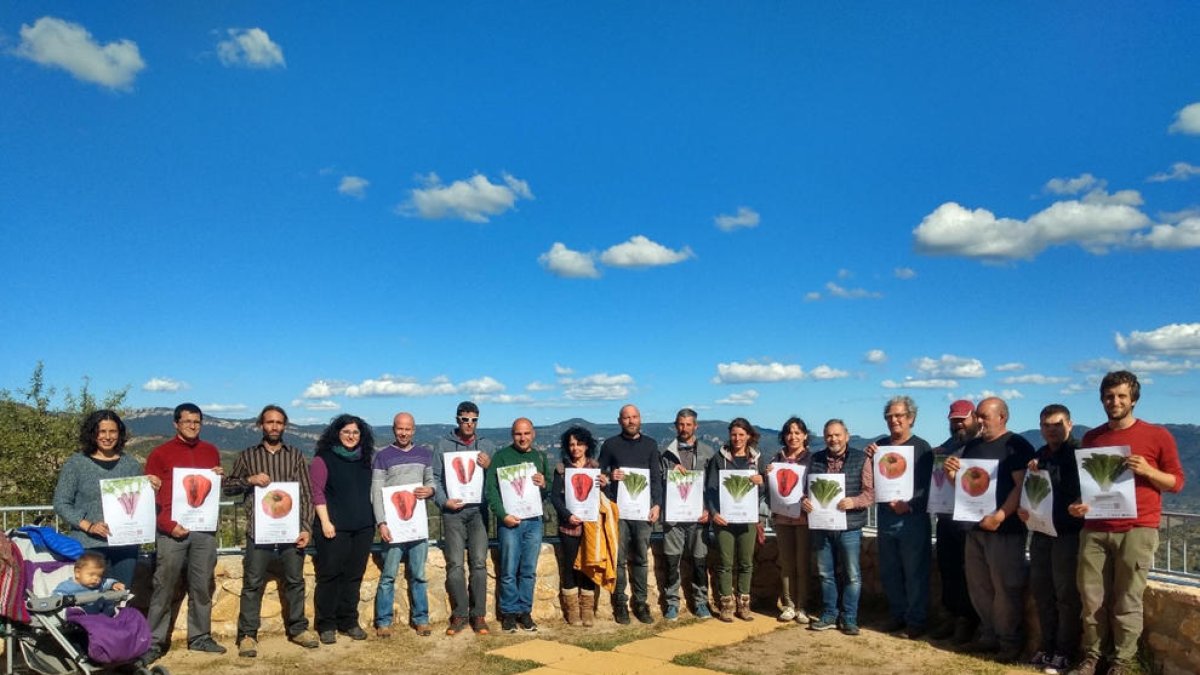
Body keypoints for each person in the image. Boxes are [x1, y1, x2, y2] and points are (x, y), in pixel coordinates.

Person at [1066, 371, 1185, 675]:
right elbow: (1093, 485)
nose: (1114, 401)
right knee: (1091, 599)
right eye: (1109, 396)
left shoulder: (1157, 435)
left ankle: (1122, 661)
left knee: (1127, 599)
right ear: (1101, 399)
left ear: (1134, 399)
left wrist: (1147, 470)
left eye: (1121, 396)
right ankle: (1091, 656)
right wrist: (1081, 507)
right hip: (1095, 528)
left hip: (1137, 529)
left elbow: (1176, 483)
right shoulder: (1092, 437)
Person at [943, 396, 1035, 663]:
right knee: (980, 586)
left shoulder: (1016, 445)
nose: (979, 421)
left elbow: (1022, 486)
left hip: (1004, 531)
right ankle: (988, 636)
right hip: (974, 528)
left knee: (1006, 588)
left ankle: (1009, 642)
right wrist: (952, 477)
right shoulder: (973, 446)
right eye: (978, 416)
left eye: (984, 416)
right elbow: (968, 487)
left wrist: (1000, 516)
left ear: (1002, 417)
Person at [223, 405, 319, 658]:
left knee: (295, 581)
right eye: (269, 422)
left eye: (278, 422)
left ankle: (298, 629)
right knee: (252, 583)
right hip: (259, 531)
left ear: (285, 426)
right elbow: (228, 487)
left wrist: (307, 527)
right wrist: (249, 480)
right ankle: (247, 636)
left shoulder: (296, 455)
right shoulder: (247, 456)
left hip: (291, 530)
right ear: (261, 425)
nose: (274, 426)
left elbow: (307, 494)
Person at [144, 403, 226, 660]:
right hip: (171, 532)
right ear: (176, 424)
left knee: (202, 587)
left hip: (203, 531)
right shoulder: (159, 454)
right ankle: (153, 643)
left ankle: (200, 637)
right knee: (163, 588)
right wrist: (168, 526)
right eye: (187, 421)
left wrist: (218, 477)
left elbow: (209, 493)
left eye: (197, 421)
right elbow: (149, 497)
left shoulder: (211, 452)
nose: (192, 425)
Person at [54, 409, 158, 589]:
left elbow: (137, 503)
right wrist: (89, 526)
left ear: (120, 434)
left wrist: (151, 489)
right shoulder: (76, 463)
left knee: (120, 595)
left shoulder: (130, 464)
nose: (108, 437)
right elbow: (61, 503)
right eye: (102, 431)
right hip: (89, 544)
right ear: (92, 433)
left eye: (113, 431)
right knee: (89, 597)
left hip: (125, 544)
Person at [1018, 404, 1083, 675]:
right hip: (1042, 533)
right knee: (1043, 593)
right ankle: (1046, 647)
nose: (1051, 430)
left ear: (1069, 424)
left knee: (1066, 596)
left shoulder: (1079, 453)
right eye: (1046, 425)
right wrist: (1025, 508)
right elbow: (1035, 490)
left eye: (1057, 424)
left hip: (1068, 534)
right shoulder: (1040, 455)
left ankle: (1065, 653)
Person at [867, 396, 934, 639]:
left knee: (915, 571)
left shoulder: (922, 447)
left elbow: (929, 487)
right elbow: (870, 480)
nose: (894, 420)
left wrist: (910, 506)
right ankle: (898, 615)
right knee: (890, 570)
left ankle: (916, 621)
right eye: (889, 416)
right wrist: (870, 457)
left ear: (911, 418)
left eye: (899, 416)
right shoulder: (880, 446)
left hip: (912, 519)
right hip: (885, 516)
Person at [310, 414, 375, 644]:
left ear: (361, 435)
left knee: (353, 576)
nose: (351, 436)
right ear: (337, 433)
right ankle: (326, 623)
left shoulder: (366, 459)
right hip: (334, 528)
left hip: (363, 527)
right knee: (330, 575)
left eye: (355, 432)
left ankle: (349, 621)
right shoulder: (323, 459)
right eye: (346, 432)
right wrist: (326, 522)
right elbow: (317, 493)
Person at [804, 419, 873, 636]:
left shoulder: (862, 459)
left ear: (847, 436)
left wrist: (854, 502)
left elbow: (871, 492)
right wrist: (804, 501)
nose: (833, 439)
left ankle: (849, 618)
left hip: (850, 527)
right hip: (822, 526)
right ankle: (829, 614)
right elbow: (804, 489)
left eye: (837, 435)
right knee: (826, 573)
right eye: (829, 436)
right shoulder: (814, 459)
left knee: (852, 575)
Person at [597, 404, 663, 624]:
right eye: (626, 418)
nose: (631, 421)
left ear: (640, 419)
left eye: (634, 417)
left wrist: (657, 505)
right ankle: (620, 604)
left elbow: (656, 478)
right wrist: (609, 475)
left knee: (642, 560)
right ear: (620, 421)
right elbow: (600, 475)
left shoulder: (651, 445)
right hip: (618, 513)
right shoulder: (610, 445)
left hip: (643, 513)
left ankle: (641, 604)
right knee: (618, 560)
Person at [433, 401, 494, 636]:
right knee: (455, 564)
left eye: (473, 420)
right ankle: (460, 614)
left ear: (478, 421)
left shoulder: (487, 445)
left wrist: (489, 466)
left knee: (479, 563)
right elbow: (435, 478)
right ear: (457, 419)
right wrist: (443, 501)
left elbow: (497, 479)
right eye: (464, 419)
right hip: (453, 512)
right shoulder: (443, 445)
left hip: (479, 511)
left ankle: (478, 615)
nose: (469, 424)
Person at [371, 412, 435, 638]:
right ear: (393, 429)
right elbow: (376, 493)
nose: (404, 433)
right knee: (388, 576)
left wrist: (430, 491)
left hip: (417, 527)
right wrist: (382, 523)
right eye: (400, 428)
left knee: (418, 574)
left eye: (408, 429)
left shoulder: (425, 454)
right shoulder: (382, 456)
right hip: (393, 527)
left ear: (414, 430)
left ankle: (422, 619)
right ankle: (383, 621)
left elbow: (431, 482)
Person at [485, 418, 549, 633]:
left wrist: (544, 484)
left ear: (533, 434)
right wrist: (503, 516)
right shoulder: (501, 457)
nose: (523, 438)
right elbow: (491, 490)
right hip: (510, 521)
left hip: (533, 522)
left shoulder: (539, 457)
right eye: (518, 434)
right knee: (509, 570)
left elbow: (546, 492)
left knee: (529, 570)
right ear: (512, 435)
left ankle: (525, 611)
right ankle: (509, 613)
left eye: (526, 433)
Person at [929, 400, 980, 644]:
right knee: (948, 569)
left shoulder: (981, 447)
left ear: (975, 419)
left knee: (968, 572)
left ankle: (967, 621)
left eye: (963, 419)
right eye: (954, 420)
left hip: (969, 522)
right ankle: (950, 616)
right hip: (946, 517)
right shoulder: (949, 444)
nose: (958, 424)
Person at [706, 417, 766, 622]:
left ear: (749, 436)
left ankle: (744, 604)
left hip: (748, 519)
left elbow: (766, 489)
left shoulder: (757, 459)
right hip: (724, 520)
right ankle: (725, 604)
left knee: (746, 563)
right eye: (734, 435)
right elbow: (710, 489)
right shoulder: (718, 459)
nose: (737, 438)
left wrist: (762, 481)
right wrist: (714, 513)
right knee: (725, 562)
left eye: (741, 434)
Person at [659, 408, 716, 621]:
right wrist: (670, 472)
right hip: (673, 519)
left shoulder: (709, 453)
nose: (684, 428)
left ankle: (701, 602)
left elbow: (713, 487)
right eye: (681, 424)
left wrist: (709, 511)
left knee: (699, 561)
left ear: (696, 426)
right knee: (671, 561)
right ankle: (672, 603)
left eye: (688, 424)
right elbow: (658, 485)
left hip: (698, 518)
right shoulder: (665, 454)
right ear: (676, 426)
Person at [549, 425, 607, 626]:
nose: (575, 448)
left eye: (579, 444)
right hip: (569, 527)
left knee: (588, 565)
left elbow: (603, 497)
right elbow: (555, 497)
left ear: (587, 445)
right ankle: (572, 609)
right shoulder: (562, 469)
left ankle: (587, 609)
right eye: (571, 444)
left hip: (591, 527)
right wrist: (567, 515)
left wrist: (605, 484)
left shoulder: (595, 468)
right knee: (570, 566)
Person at [766, 416, 812, 624]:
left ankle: (803, 605)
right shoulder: (776, 460)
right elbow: (770, 490)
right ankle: (789, 604)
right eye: (789, 433)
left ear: (805, 436)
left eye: (797, 432)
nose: (793, 437)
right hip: (783, 518)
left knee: (802, 563)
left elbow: (815, 486)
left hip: (803, 519)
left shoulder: (812, 459)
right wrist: (767, 475)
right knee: (787, 564)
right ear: (784, 436)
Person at [54, 551, 125, 616]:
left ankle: (107, 615)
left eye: (99, 576)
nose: (96, 578)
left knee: (108, 602)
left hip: (98, 610)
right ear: (77, 573)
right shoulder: (68, 586)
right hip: (81, 612)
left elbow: (107, 582)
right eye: (91, 574)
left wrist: (114, 584)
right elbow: (56, 598)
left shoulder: (99, 584)